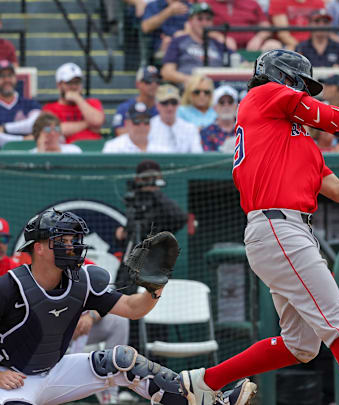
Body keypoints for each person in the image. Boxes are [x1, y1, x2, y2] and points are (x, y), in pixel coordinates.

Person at [176, 49, 339, 405]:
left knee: (301, 345)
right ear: (283, 77)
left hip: (287, 232)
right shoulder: (262, 95)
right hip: (277, 226)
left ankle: (206, 381)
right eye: (301, 86)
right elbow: (333, 117)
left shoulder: (296, 142)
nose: (306, 94)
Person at [0, 209, 250, 405]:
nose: (73, 245)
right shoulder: (10, 286)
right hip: (11, 381)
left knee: (123, 361)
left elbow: (133, 309)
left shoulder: (82, 280)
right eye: (63, 240)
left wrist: (155, 289)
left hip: (54, 370)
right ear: (39, 248)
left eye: (73, 239)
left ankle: (205, 400)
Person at [114, 160, 188, 291]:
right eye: (146, 179)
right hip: (131, 262)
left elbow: (180, 218)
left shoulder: (163, 204)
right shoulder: (134, 200)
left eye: (153, 178)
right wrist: (124, 233)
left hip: (155, 262)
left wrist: (155, 193)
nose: (150, 182)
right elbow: (132, 232)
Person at [67, 310, 130, 404]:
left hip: (84, 326)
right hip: (54, 325)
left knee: (120, 320)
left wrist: (91, 315)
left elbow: (105, 303)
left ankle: (109, 392)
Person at [161, 3, 230, 86]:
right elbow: (167, 72)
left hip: (217, 89)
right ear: (190, 21)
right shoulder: (179, 41)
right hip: (188, 89)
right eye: (199, 19)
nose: (204, 23)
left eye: (208, 19)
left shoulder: (218, 44)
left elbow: (241, 63)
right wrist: (193, 81)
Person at [42, 63, 104, 143]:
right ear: (59, 85)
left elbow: (97, 121)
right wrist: (88, 124)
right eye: (69, 83)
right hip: (67, 151)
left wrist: (78, 99)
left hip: (94, 149)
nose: (74, 87)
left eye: (77, 82)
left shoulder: (92, 103)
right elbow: (56, 130)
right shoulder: (49, 108)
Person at [147, 85, 203, 153]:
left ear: (179, 104)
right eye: (165, 103)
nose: (170, 108)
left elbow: (197, 154)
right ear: (157, 105)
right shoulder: (147, 127)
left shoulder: (190, 128)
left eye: (174, 103)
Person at [203, 0, 276, 51]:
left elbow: (266, 27)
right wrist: (220, 37)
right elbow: (200, 27)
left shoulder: (251, 3)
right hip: (219, 47)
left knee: (273, 45)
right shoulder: (206, 4)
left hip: (251, 48)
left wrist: (258, 38)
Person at [0, 60, 41, 145]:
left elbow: (34, 124)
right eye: (2, 76)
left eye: (10, 75)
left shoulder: (30, 104)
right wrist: (25, 140)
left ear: (15, 78)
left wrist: (5, 128)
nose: (7, 80)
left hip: (27, 155)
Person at [112, 66, 160, 136]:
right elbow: (119, 132)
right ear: (138, 84)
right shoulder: (125, 108)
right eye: (148, 81)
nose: (154, 84)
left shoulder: (165, 107)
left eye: (157, 80)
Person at [103, 102, 169, 153]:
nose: (142, 125)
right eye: (136, 121)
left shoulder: (162, 145)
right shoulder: (113, 147)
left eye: (146, 120)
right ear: (127, 123)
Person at [201, 85, 239, 151]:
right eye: (222, 102)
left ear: (236, 106)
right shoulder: (206, 132)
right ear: (215, 107)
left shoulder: (244, 130)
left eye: (230, 102)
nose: (226, 105)